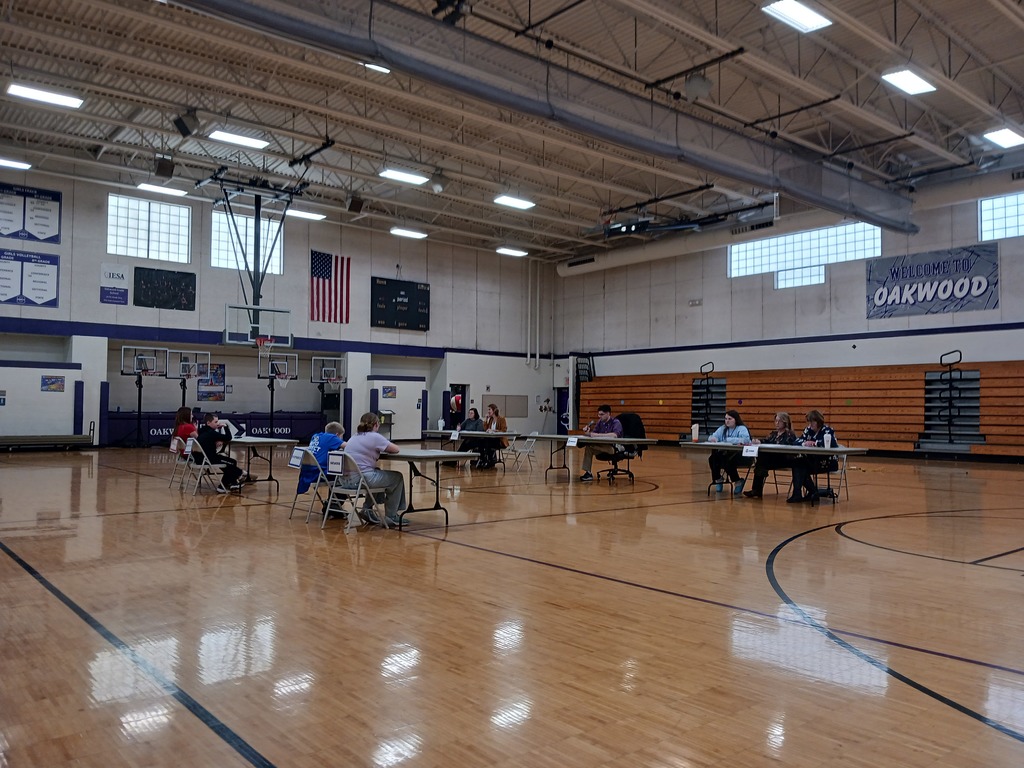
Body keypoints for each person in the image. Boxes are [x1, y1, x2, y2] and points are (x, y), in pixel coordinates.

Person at [337, 411, 405, 526]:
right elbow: (395, 449)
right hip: (360, 480)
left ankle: (367, 509)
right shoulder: (375, 437)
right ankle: (392, 516)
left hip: (345, 480)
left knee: (377, 472)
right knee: (397, 478)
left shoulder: (354, 436)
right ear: (376, 424)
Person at [743, 412, 800, 498]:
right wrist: (759, 441)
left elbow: (786, 447)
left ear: (785, 422)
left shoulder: (789, 434)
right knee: (761, 461)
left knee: (761, 461)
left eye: (779, 421)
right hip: (773, 459)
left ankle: (756, 490)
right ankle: (756, 489)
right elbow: (766, 441)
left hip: (785, 459)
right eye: (776, 421)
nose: (777, 423)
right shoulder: (773, 434)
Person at [788, 410, 838, 504]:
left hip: (827, 462)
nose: (810, 424)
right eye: (809, 421)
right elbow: (797, 441)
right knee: (797, 464)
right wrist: (804, 443)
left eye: (812, 421)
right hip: (812, 461)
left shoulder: (827, 430)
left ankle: (807, 492)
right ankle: (806, 493)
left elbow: (832, 443)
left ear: (818, 421)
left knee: (800, 467)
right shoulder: (808, 430)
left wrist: (814, 443)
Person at [196, 412, 244, 492]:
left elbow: (210, 439)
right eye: (215, 422)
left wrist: (216, 440)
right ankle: (225, 484)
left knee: (231, 462)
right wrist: (225, 427)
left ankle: (233, 482)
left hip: (201, 458)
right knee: (232, 463)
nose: (217, 424)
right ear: (208, 423)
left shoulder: (201, 431)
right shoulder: (211, 433)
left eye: (218, 421)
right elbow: (228, 438)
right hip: (209, 459)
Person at [707, 409, 751, 494]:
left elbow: (746, 440)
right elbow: (711, 437)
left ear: (735, 419)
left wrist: (729, 440)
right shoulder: (723, 428)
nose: (727, 421)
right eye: (726, 419)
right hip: (726, 454)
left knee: (727, 459)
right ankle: (718, 479)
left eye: (729, 419)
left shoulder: (741, 428)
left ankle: (737, 481)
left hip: (741, 455)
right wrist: (713, 439)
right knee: (712, 458)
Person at [296, 422, 345, 494]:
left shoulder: (316, 436)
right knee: (341, 475)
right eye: (341, 436)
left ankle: (332, 502)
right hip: (319, 474)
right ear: (337, 435)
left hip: (306, 473)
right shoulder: (332, 438)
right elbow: (349, 446)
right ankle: (333, 503)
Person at [579, 404, 622, 482]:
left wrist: (596, 435)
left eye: (602, 414)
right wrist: (588, 433)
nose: (599, 416)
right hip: (602, 446)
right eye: (599, 414)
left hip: (613, 447)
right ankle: (588, 473)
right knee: (589, 448)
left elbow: (614, 435)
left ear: (608, 414)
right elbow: (594, 434)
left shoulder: (616, 422)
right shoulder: (600, 422)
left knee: (592, 446)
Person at [475, 403, 508, 469]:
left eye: (489, 409)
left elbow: (504, 430)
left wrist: (494, 431)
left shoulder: (501, 419)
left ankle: (490, 460)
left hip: (499, 440)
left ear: (494, 410)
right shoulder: (490, 419)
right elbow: (485, 429)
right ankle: (482, 459)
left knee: (488, 442)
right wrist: (486, 420)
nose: (488, 411)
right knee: (480, 441)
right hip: (491, 439)